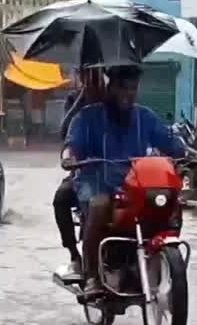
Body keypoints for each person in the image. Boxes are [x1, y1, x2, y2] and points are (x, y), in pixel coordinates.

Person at [64, 65, 186, 293]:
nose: (127, 94)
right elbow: (72, 146)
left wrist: (190, 154)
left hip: (136, 184)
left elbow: (170, 142)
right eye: (122, 87)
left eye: (132, 88)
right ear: (110, 87)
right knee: (99, 205)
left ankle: (155, 260)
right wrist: (69, 158)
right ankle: (92, 276)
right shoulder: (88, 117)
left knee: (169, 205)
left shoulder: (145, 117)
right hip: (97, 180)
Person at [53, 68, 105, 275]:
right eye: (86, 74)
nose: (92, 79)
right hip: (83, 170)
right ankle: (75, 254)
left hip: (116, 169)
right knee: (61, 199)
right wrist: (83, 97)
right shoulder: (75, 100)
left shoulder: (115, 99)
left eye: (95, 74)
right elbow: (66, 133)